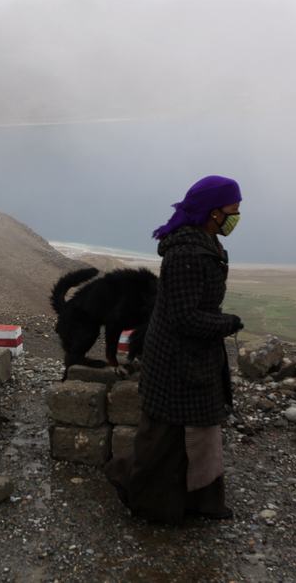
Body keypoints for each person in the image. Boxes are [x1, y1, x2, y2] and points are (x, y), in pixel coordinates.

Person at [105, 175, 243, 524]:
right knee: (165, 440)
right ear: (213, 213)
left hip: (196, 358)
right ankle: (151, 502)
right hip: (176, 360)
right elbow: (185, 319)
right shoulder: (186, 254)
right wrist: (227, 323)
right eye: (233, 211)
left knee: (200, 434)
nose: (236, 217)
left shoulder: (205, 243)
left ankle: (201, 501)